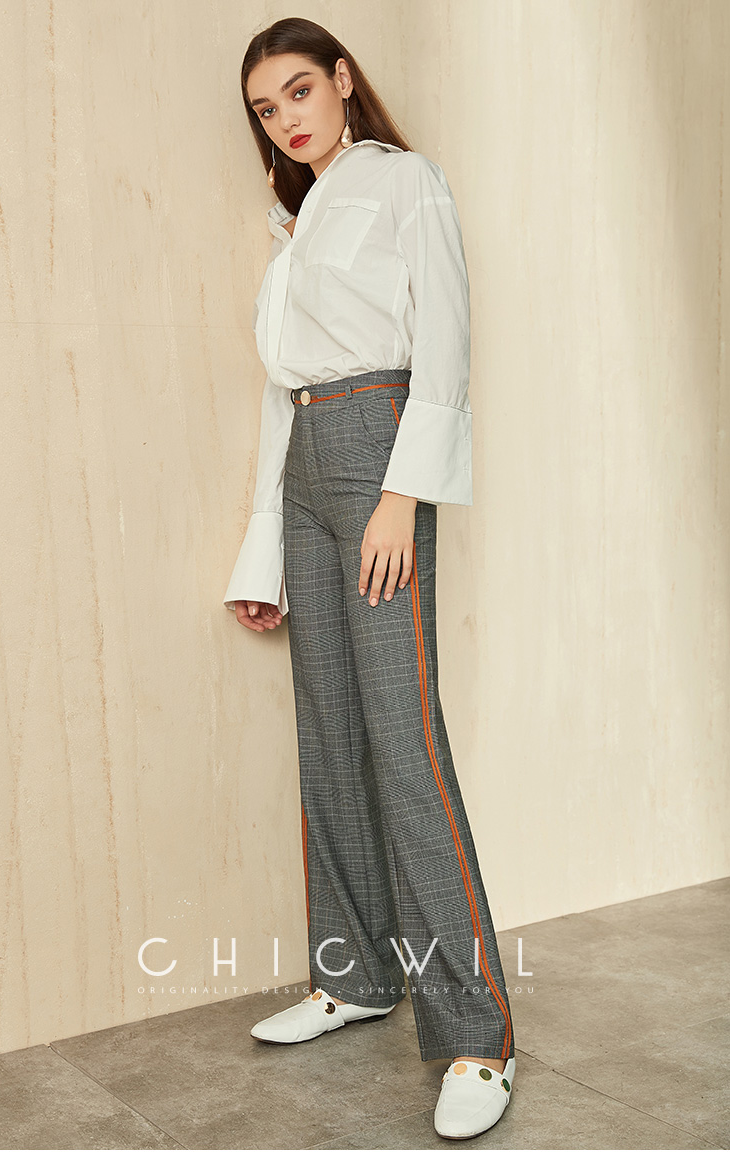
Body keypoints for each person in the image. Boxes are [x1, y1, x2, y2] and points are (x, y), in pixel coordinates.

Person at [223, 17, 516, 1140]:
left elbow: (445, 335)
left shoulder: (404, 182)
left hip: (379, 452)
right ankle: (355, 975)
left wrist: (403, 494)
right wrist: (265, 549)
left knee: (402, 736)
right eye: (267, 108)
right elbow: (280, 393)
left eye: (300, 90)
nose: (287, 118)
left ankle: (476, 1037)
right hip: (307, 463)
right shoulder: (294, 222)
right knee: (328, 727)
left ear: (342, 81)